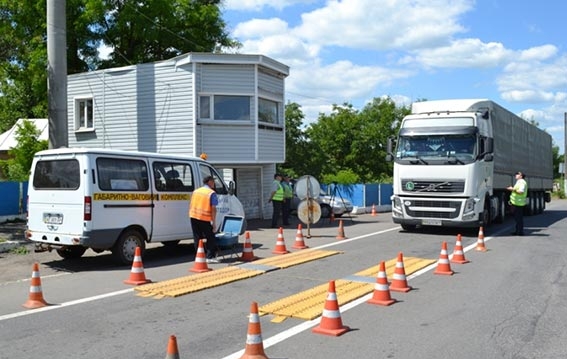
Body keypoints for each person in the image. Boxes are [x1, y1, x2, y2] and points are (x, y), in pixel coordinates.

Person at [189, 175, 219, 263]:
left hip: (193, 216)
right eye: (213, 181)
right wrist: (214, 223)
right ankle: (210, 257)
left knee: (197, 237)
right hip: (204, 218)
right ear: (209, 182)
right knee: (211, 237)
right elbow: (213, 209)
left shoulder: (196, 191)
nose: (214, 183)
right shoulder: (211, 193)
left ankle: (199, 256)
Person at [507, 171, 528, 236]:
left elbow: (521, 191)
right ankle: (518, 231)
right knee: (517, 218)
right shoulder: (519, 182)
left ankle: (520, 232)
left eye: (517, 174)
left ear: (521, 176)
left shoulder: (522, 182)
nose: (516, 175)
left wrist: (512, 189)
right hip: (516, 202)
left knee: (519, 218)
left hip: (519, 203)